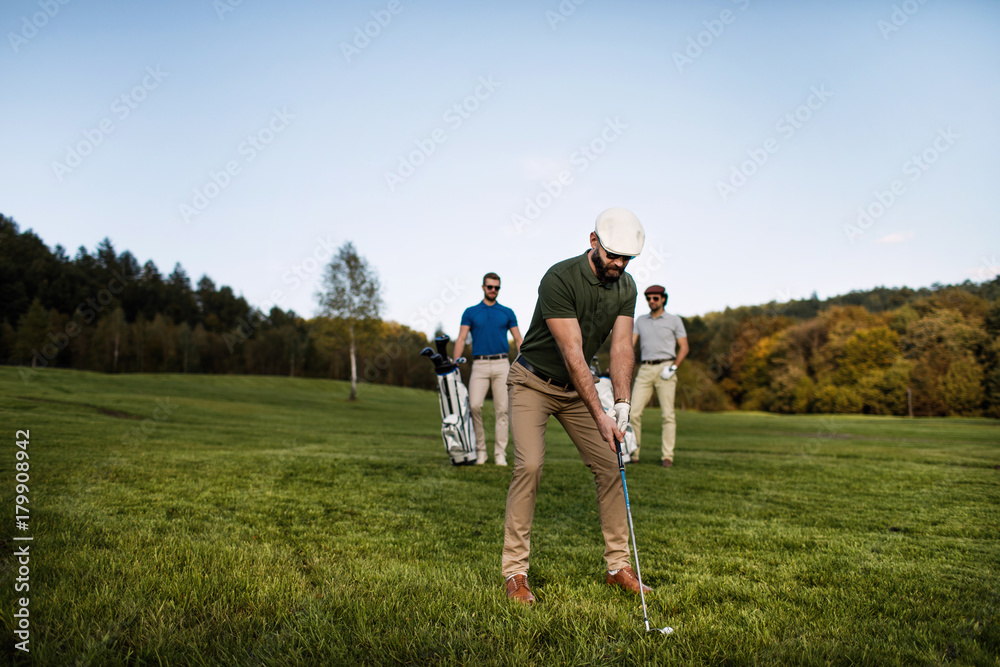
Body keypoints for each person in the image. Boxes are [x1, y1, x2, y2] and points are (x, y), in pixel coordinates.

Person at [502, 207, 652, 604]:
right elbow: (572, 353)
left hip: (576, 389)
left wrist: (620, 403)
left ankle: (618, 566)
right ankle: (515, 573)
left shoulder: (627, 286)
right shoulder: (560, 278)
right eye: (612, 256)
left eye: (626, 259)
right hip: (532, 380)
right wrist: (600, 413)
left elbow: (621, 346)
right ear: (593, 242)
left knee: (610, 462)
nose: (618, 264)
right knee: (530, 465)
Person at [452, 273, 523, 466]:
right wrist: (455, 362)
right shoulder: (471, 312)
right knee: (474, 406)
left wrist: (525, 361)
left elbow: (518, 339)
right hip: (480, 365)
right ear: (483, 287)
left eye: (496, 287)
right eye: (490, 287)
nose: (493, 290)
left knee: (502, 410)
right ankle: (480, 451)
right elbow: (460, 338)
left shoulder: (507, 312)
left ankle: (500, 454)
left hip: (502, 365)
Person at [629, 285, 688, 467]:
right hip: (645, 369)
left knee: (668, 415)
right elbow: (630, 345)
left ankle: (667, 456)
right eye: (648, 299)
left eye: (655, 298)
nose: (652, 301)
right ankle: (633, 453)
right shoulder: (640, 320)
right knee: (633, 413)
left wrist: (673, 368)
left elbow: (684, 347)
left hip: (666, 368)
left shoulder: (674, 320)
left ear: (663, 299)